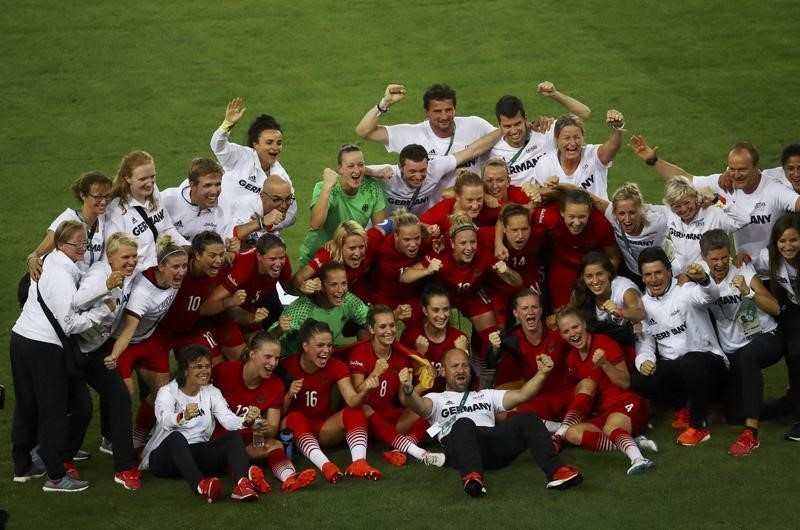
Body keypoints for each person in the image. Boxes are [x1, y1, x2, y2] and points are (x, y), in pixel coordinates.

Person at [12, 220, 113, 491]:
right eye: (76, 244)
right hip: (44, 347)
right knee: (55, 411)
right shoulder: (60, 276)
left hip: (22, 338)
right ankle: (55, 476)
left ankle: (23, 465)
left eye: (85, 242)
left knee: (28, 405)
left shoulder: (49, 260)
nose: (83, 248)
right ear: (60, 244)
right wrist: (102, 312)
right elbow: (69, 324)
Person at [400, 348, 583, 497]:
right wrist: (409, 391)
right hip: (459, 448)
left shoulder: (485, 394)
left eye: (465, 365)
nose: (461, 370)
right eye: (455, 366)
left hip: (492, 445)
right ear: (442, 371)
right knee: (464, 423)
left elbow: (523, 395)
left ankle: (557, 472)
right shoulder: (436, 398)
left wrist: (542, 373)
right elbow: (420, 406)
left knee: (528, 418)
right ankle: (472, 479)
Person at [630, 136, 800, 262]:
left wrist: (718, 200)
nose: (736, 175)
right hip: (744, 266)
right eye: (732, 169)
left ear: (757, 167)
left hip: (778, 267)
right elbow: (685, 179)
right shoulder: (723, 184)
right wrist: (653, 160)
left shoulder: (773, 189)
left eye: (742, 170)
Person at [401, 211, 521, 387]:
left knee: (491, 336)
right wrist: (427, 270)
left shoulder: (484, 255)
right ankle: (425, 377)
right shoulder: (440, 255)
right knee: (423, 334)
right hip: (443, 300)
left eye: (472, 242)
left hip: (471, 296)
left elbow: (518, 282)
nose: (469, 247)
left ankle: (483, 378)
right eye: (463, 243)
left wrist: (507, 271)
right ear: (451, 243)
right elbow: (405, 276)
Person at [139, 346, 267, 503]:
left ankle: (242, 485)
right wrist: (182, 416)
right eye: (198, 366)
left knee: (233, 437)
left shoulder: (212, 392)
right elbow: (164, 419)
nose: (205, 371)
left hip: (195, 455)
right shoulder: (168, 391)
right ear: (185, 370)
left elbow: (227, 419)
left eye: (207, 366)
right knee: (176, 437)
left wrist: (246, 419)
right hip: (164, 459)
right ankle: (201, 486)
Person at [632, 247, 728, 446]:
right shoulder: (643, 304)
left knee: (691, 361)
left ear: (669, 271)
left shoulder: (686, 289)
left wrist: (703, 280)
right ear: (642, 278)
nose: (654, 279)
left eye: (658, 272)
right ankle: (684, 407)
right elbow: (646, 341)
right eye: (648, 274)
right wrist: (644, 360)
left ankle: (698, 426)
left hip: (709, 362)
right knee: (640, 380)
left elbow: (711, 296)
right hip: (677, 368)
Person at [699, 229, 783, 456]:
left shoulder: (742, 269)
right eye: (714, 259)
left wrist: (748, 292)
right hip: (732, 350)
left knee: (749, 356)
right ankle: (787, 405)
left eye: (724, 257)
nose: (719, 264)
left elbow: (774, 307)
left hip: (766, 337)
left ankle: (751, 434)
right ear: (703, 257)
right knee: (734, 415)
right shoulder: (700, 277)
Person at [103, 235, 188, 448]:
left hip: (149, 339)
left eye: (184, 266)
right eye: (176, 267)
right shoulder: (143, 291)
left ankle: (139, 433)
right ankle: (112, 438)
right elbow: (129, 329)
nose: (181, 272)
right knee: (125, 395)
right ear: (161, 266)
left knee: (163, 392)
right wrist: (114, 354)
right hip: (123, 343)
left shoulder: (173, 277)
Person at [72, 232, 141, 490]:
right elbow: (76, 303)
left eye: (134, 256)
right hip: (73, 351)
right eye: (125, 257)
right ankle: (63, 458)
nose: (132, 261)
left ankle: (124, 467)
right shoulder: (97, 276)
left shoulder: (126, 275)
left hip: (97, 351)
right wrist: (106, 286)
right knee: (79, 408)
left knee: (121, 397)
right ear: (110, 256)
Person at [553, 307, 654, 475]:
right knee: (573, 433)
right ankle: (630, 442)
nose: (572, 333)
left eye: (575, 327)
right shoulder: (571, 358)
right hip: (604, 414)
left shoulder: (604, 342)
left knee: (610, 428)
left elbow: (625, 383)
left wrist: (605, 364)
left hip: (627, 403)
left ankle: (638, 458)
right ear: (562, 336)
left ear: (584, 324)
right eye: (566, 331)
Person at [280, 320, 382, 483]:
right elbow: (277, 413)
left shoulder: (336, 365)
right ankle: (326, 465)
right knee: (295, 417)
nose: (326, 351)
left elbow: (352, 400)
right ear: (305, 346)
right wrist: (289, 395)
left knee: (355, 411)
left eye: (329, 345)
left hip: (324, 428)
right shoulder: (286, 366)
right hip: (295, 428)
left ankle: (359, 462)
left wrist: (365, 391)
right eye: (320, 345)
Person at [212, 332, 317, 492]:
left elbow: (273, 428)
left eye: (276, 358)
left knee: (275, 444)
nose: (273, 363)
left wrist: (265, 427)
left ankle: (290, 478)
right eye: (267, 357)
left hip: (248, 442)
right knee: (233, 454)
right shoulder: (223, 372)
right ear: (252, 353)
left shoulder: (276, 385)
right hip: (220, 442)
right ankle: (249, 480)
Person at [348, 306, 445, 467]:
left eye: (392, 325)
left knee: (423, 412)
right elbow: (356, 393)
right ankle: (419, 452)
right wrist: (375, 373)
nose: (389, 331)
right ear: (371, 329)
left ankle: (399, 450)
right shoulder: (360, 352)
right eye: (382, 326)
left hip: (388, 419)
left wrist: (413, 387)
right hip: (363, 423)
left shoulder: (401, 356)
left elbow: (403, 399)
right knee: (363, 408)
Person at [355, 83, 495, 181]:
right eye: (437, 111)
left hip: (471, 207)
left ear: (455, 109)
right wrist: (385, 103)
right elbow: (364, 131)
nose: (444, 116)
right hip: (431, 214)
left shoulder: (475, 125)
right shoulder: (412, 134)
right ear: (426, 112)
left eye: (448, 110)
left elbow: (505, 139)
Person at [157, 231, 246, 363]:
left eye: (221, 255)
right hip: (160, 331)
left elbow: (205, 308)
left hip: (193, 331)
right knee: (159, 380)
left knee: (216, 369)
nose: (218, 260)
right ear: (197, 255)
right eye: (212, 255)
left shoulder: (223, 270)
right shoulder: (178, 269)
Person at [366, 129, 503, 214]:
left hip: (421, 228)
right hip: (389, 228)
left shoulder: (435, 167)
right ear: (400, 167)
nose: (419, 176)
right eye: (412, 171)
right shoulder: (386, 174)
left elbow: (472, 151)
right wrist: (373, 173)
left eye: (422, 170)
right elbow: (348, 168)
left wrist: (503, 129)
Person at [491, 289, 572, 430]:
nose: (530, 312)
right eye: (524, 308)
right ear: (516, 313)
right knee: (499, 415)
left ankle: (560, 425)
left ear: (541, 310)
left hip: (565, 394)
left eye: (534, 307)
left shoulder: (557, 331)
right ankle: (559, 427)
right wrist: (494, 348)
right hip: (536, 398)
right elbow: (491, 362)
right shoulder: (512, 339)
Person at [211, 97, 297, 230]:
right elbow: (218, 146)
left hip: (251, 235)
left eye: (279, 143)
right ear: (255, 144)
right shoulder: (241, 156)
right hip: (217, 222)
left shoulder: (281, 178)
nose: (275, 147)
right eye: (269, 142)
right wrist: (227, 124)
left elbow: (291, 214)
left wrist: (264, 224)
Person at [752, 213, 800, 440]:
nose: (787, 246)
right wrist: (741, 257)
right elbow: (747, 264)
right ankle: (793, 401)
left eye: (794, 240)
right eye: (782, 241)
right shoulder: (768, 257)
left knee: (797, 354)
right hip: (791, 311)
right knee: (794, 355)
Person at [298, 144, 387, 266]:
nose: (356, 170)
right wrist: (327, 186)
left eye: (360, 165)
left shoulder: (372, 188)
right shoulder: (324, 187)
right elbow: (315, 224)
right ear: (340, 168)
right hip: (317, 256)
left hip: (349, 258)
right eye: (350, 166)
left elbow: (380, 229)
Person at [206, 233, 307, 338]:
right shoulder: (243, 268)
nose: (278, 264)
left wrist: (302, 288)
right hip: (228, 309)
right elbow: (213, 302)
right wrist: (250, 317)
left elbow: (289, 288)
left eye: (281, 258)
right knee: (252, 346)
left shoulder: (282, 262)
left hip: (256, 301)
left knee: (267, 341)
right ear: (259, 256)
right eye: (272, 259)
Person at [489, 84, 591, 186]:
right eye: (507, 126)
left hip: (553, 197)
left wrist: (555, 95)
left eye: (517, 124)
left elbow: (584, 113)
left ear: (525, 118)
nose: (514, 131)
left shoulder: (545, 131)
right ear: (499, 125)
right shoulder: (495, 151)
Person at [537, 188, 620, 309]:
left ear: (589, 212)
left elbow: (613, 257)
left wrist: (605, 280)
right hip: (562, 266)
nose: (576, 223)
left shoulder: (602, 225)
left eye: (582, 217)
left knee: (592, 312)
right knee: (561, 311)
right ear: (562, 212)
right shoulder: (548, 217)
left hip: (591, 269)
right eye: (571, 216)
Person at [105, 151, 189, 269]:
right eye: (143, 179)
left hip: (162, 268)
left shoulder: (153, 191)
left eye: (152, 176)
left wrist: (188, 247)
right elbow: (115, 258)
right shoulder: (116, 210)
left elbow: (167, 228)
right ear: (128, 178)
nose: (149, 183)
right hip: (138, 276)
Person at [27, 171, 113, 280]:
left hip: (84, 286)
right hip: (63, 283)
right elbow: (37, 253)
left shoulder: (102, 219)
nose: (104, 202)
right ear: (83, 195)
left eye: (107, 196)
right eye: (98, 197)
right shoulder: (68, 220)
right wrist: (32, 259)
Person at [271, 262, 370, 356]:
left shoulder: (348, 301)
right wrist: (279, 330)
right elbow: (267, 339)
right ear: (321, 286)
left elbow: (373, 319)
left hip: (319, 357)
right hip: (290, 360)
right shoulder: (303, 309)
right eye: (333, 285)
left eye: (344, 284)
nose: (340, 290)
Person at [571, 251, 646, 368]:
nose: (595, 281)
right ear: (583, 278)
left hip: (637, 343)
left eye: (600, 274)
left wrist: (619, 312)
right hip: (602, 350)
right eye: (589, 276)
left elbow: (640, 312)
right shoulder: (579, 294)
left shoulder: (624, 288)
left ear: (609, 273)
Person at [587, 182, 669, 288]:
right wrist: (560, 185)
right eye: (621, 213)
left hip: (658, 273)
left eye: (632, 212)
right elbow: (592, 199)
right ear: (614, 213)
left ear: (641, 209)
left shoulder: (659, 221)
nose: (627, 219)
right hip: (633, 273)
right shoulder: (612, 216)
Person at [661, 176, 749, 274]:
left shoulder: (714, 213)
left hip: (710, 277)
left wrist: (717, 199)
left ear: (695, 197)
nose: (684, 209)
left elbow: (744, 220)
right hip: (679, 279)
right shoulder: (669, 212)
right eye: (677, 206)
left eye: (687, 203)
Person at [532, 111, 626, 200]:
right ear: (557, 139)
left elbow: (613, 145)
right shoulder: (545, 164)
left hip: (598, 215)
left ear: (582, 137)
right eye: (567, 138)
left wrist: (618, 128)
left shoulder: (593, 155)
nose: (572, 143)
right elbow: (540, 195)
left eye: (577, 137)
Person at [292, 221, 385, 304]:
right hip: (326, 302)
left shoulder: (371, 240)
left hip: (358, 297)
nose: (357, 253)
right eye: (352, 248)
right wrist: (303, 286)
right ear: (339, 246)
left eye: (361, 247)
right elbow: (298, 277)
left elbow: (390, 222)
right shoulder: (326, 257)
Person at [484, 203, 546, 326]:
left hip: (528, 282)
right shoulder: (486, 236)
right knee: (498, 330)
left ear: (531, 227)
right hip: (498, 287)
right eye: (514, 230)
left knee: (537, 320)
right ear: (504, 229)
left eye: (524, 229)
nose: (520, 236)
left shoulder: (540, 233)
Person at [399, 283, 469, 392]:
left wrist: (462, 352)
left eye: (445, 309)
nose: (442, 315)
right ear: (425, 311)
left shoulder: (459, 338)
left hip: (450, 401)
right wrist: (419, 355)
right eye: (435, 310)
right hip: (420, 401)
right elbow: (404, 384)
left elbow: (465, 383)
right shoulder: (410, 336)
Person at [372, 210, 436, 323]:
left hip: (411, 295)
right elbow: (404, 277)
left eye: (417, 238)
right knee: (379, 330)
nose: (413, 245)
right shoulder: (385, 251)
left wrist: (436, 242)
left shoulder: (423, 241)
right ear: (396, 236)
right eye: (406, 239)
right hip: (385, 297)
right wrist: (427, 270)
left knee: (424, 328)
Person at [161, 158, 225, 241]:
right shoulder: (167, 199)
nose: (214, 191)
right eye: (207, 185)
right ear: (192, 185)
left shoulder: (223, 210)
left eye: (217, 184)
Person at [420, 169, 501, 233]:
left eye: (479, 199)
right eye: (470, 200)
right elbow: (415, 224)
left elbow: (510, 211)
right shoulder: (443, 209)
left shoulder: (488, 204)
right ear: (457, 196)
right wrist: (428, 228)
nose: (475, 206)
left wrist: (498, 241)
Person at [224, 174, 295, 246]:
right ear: (262, 196)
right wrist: (262, 222)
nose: (284, 205)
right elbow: (231, 237)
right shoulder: (247, 206)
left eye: (288, 199)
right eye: (277, 199)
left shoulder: (290, 214)